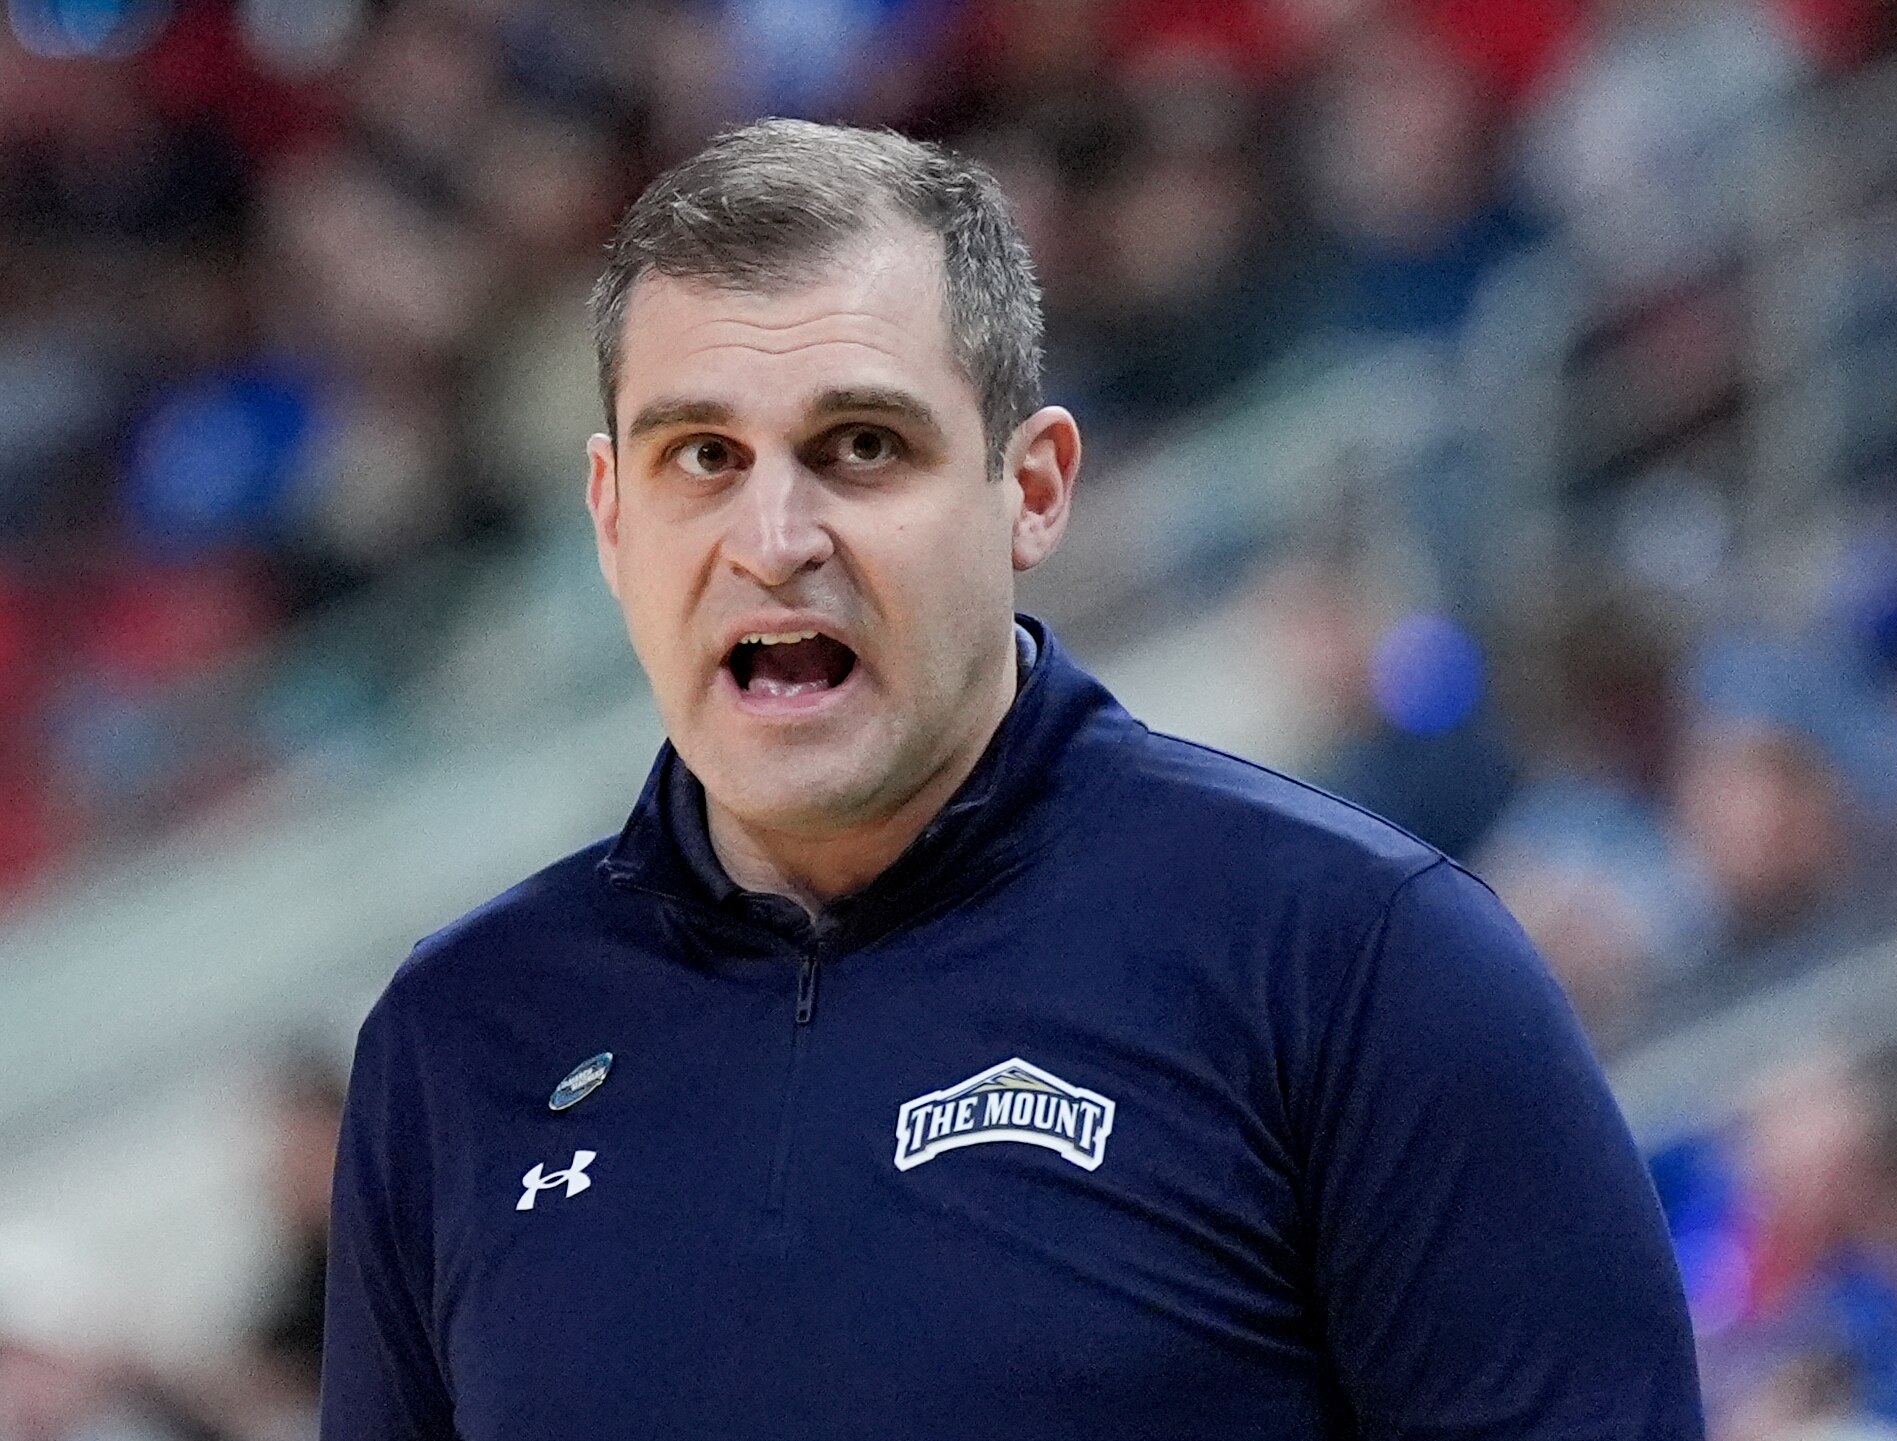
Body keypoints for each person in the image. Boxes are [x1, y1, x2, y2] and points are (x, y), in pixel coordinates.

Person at [322, 118, 1703, 1441]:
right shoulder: (459, 1039)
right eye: (702, 458)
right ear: (612, 517)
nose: (774, 537)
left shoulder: (1357, 960)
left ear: (1031, 489)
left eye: (862, 445)